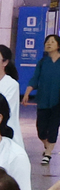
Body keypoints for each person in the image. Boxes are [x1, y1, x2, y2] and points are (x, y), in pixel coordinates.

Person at [24, 32, 60, 172]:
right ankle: (47, 144)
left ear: (58, 45)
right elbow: (35, 78)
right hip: (44, 99)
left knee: (53, 126)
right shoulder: (42, 62)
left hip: (58, 101)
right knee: (41, 129)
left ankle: (48, 153)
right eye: (47, 42)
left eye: (52, 41)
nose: (48, 44)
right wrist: (27, 92)